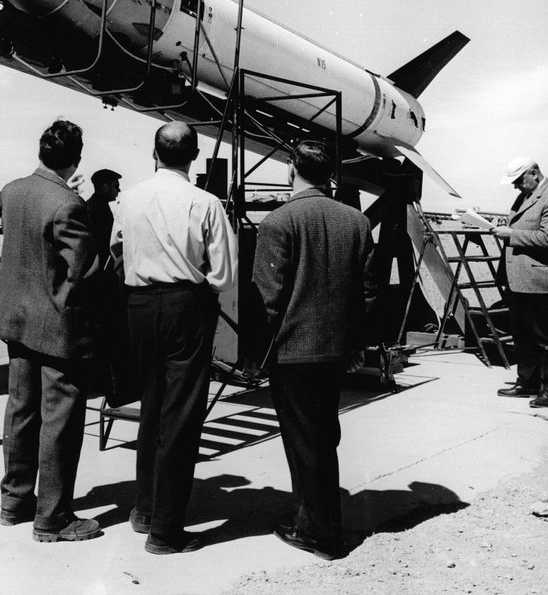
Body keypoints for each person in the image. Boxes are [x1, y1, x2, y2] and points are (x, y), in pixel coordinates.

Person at [110, 121, 237, 554]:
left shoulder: (127, 199)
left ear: (153, 154)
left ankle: (145, 508)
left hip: (140, 308)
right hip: (187, 306)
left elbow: (115, 249)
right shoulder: (206, 203)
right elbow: (222, 273)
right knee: (181, 414)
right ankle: (165, 531)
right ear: (195, 155)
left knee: (151, 404)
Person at [251, 140, 375, 561]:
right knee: (323, 437)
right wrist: (358, 343)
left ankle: (318, 532)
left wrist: (256, 354)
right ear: (330, 175)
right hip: (336, 350)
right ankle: (317, 519)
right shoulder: (357, 222)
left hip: (293, 351)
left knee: (304, 442)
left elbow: (266, 297)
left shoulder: (278, 221)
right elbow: (368, 292)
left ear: (291, 169)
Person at [0, 119, 101, 542]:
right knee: (60, 418)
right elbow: (85, 270)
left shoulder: (12, 191)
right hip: (56, 327)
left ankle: (15, 503)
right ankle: (53, 518)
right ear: (75, 159)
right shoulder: (68, 204)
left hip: (16, 321)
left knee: (21, 410)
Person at [493, 157, 548, 408]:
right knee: (522, 335)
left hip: (540, 280)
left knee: (545, 338)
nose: (516, 187)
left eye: (519, 181)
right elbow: (523, 224)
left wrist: (512, 234)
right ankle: (527, 382)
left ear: (534, 173)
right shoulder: (526, 195)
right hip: (519, 279)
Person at [86, 169, 122, 257]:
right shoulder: (101, 209)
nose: (119, 190)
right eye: (116, 186)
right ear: (105, 187)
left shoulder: (90, 204)